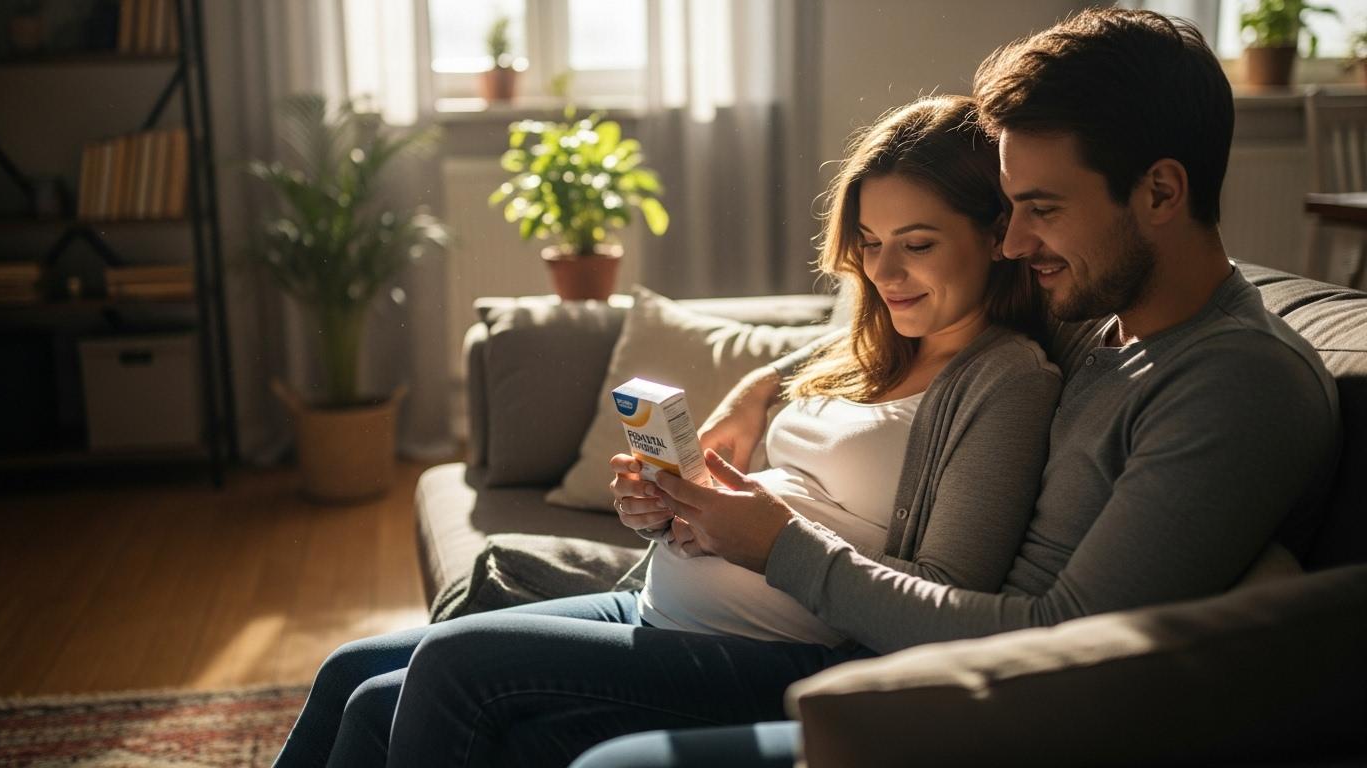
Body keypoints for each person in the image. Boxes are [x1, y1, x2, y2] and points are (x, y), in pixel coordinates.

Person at [571, 7, 1343, 766]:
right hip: (890, 656)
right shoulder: (1094, 308)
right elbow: (909, 315)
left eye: (1041, 210)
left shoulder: (1238, 385)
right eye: (1009, 211)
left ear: (1161, 193)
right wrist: (760, 387)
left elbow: (1060, 646)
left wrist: (781, 547)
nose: (1012, 244)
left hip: (969, 716)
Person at [273, 94, 1063, 767]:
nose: (886, 275)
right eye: (870, 246)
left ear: (996, 236)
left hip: (779, 655)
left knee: (452, 663)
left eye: (917, 245)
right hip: (661, 607)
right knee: (358, 678)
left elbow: (943, 605)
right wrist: (682, 495)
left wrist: (769, 537)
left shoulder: (1007, 379)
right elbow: (782, 372)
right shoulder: (869, 338)